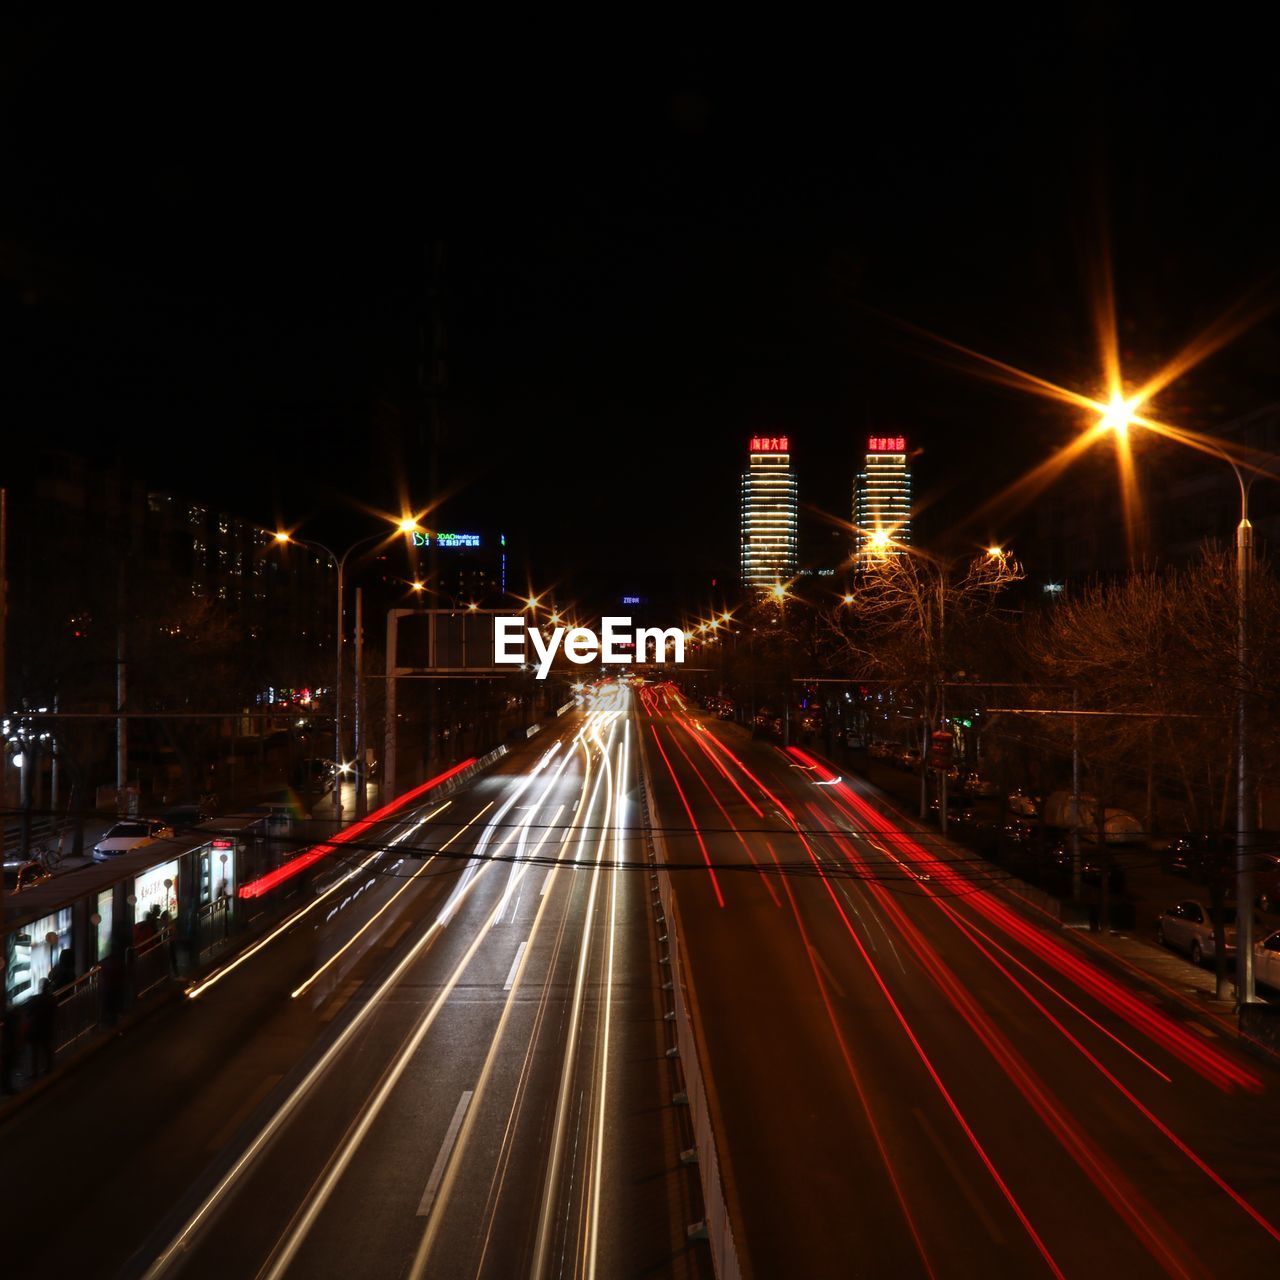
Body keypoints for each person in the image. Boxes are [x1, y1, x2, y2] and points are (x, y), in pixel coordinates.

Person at [29, 980, 57, 1077]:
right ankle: (48, 1067)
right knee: (46, 1048)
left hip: (36, 1028)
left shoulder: (34, 999)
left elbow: (29, 1013)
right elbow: (55, 1012)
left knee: (35, 1051)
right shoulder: (52, 999)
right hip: (47, 1028)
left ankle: (34, 1071)